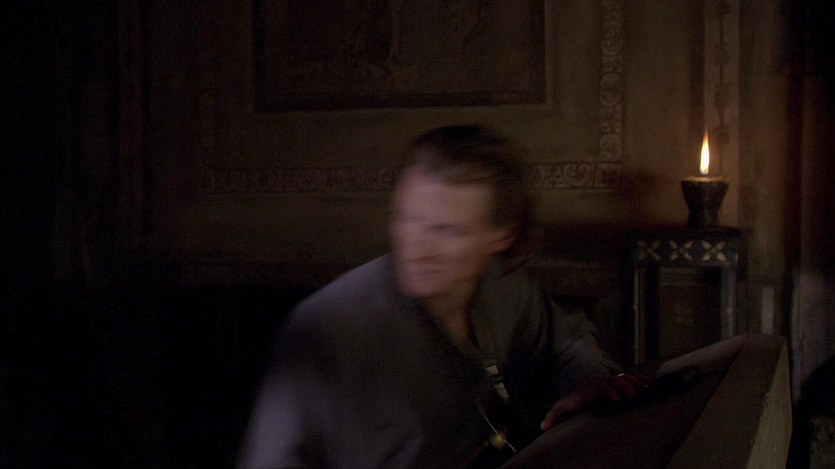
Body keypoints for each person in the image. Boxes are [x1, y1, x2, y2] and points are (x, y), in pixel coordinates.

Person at [237, 125, 648, 468]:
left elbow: (568, 345)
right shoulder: (325, 328)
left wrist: (589, 383)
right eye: (408, 219)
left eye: (447, 231)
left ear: (501, 235)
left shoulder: (503, 287)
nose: (417, 248)